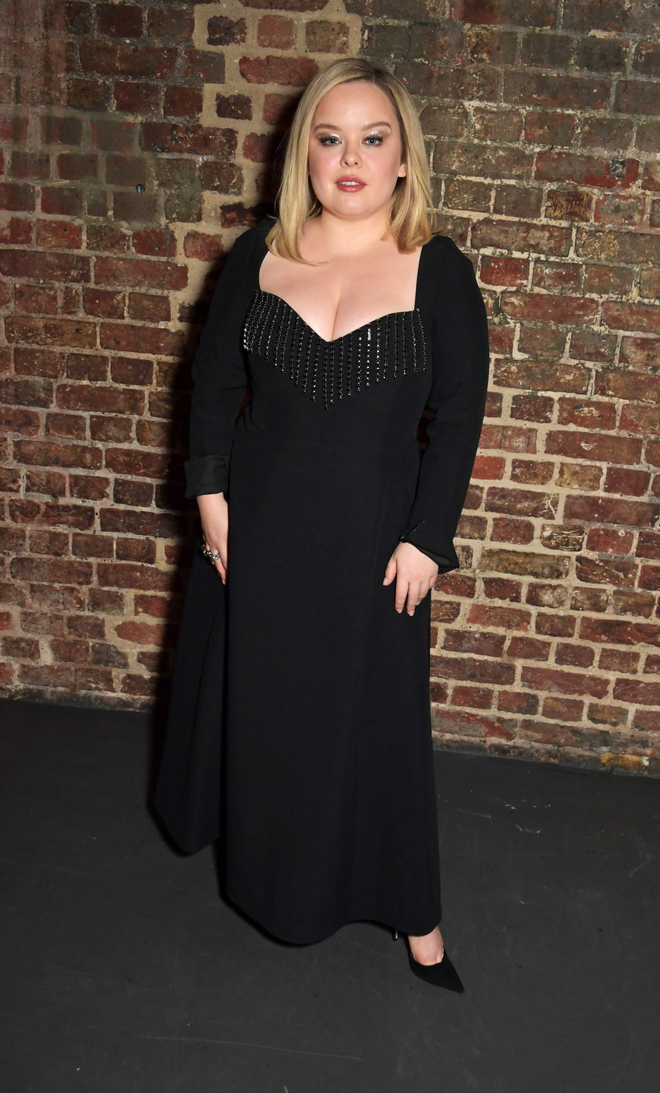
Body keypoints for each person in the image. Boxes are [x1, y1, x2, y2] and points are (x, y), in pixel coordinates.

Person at [153, 57, 490, 994]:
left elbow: (460, 418)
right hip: (259, 533)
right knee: (269, 716)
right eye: (329, 138)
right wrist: (213, 506)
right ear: (303, 154)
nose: (350, 159)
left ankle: (416, 915)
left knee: (376, 728)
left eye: (372, 139)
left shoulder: (438, 270)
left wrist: (427, 538)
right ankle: (270, 877)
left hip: (373, 545)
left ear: (403, 158)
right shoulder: (259, 254)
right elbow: (212, 387)